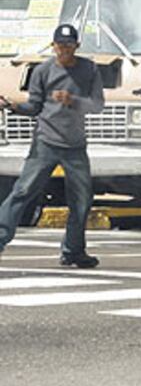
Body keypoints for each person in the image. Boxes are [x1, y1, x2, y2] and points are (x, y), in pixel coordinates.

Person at [0, 23, 104, 268]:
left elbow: (97, 105)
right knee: (23, 191)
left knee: (81, 199)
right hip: (45, 141)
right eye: (60, 45)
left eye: (69, 45)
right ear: (53, 45)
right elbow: (34, 106)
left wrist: (73, 100)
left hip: (75, 145)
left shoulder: (89, 69)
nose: (64, 50)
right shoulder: (43, 71)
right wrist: (11, 105)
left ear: (77, 46)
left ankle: (73, 251)